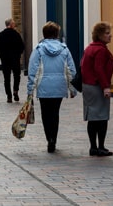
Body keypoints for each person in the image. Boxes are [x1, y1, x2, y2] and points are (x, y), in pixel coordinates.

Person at [27, 21, 77, 153]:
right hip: (59, 86)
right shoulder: (64, 49)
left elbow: (33, 71)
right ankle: (53, 138)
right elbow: (71, 70)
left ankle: (49, 138)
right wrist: (72, 88)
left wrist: (30, 91)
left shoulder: (38, 50)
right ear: (57, 34)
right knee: (55, 113)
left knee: (45, 113)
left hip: (44, 86)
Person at [81, 22, 113, 157]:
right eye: (107, 33)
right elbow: (99, 69)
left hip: (88, 86)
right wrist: (106, 87)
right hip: (97, 86)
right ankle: (100, 146)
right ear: (100, 35)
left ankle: (93, 147)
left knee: (92, 118)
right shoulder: (100, 50)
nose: (110, 36)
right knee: (101, 117)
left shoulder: (90, 48)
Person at [0, 18, 25, 103]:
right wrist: (18, 54)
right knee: (16, 76)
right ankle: (16, 91)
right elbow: (22, 46)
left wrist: (2, 56)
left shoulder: (1, 35)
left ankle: (9, 95)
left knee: (6, 78)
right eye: (14, 24)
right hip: (15, 59)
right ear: (11, 25)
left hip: (5, 60)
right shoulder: (16, 35)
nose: (15, 25)